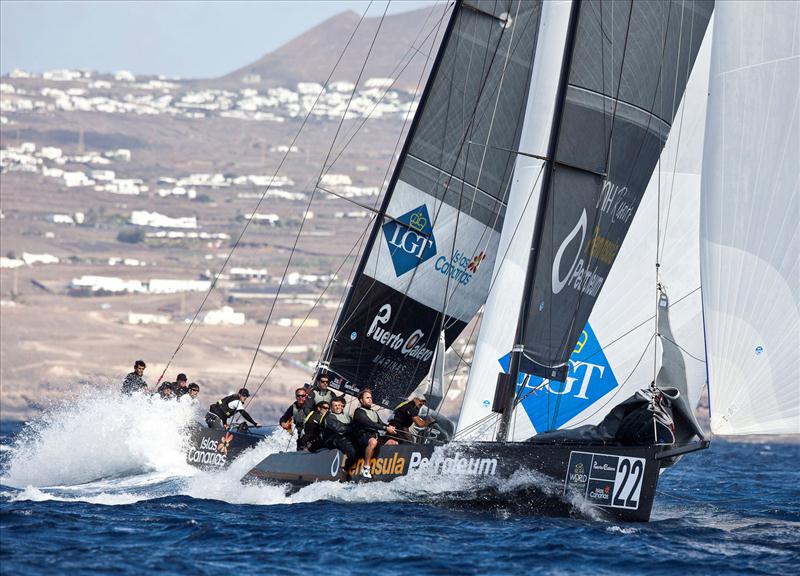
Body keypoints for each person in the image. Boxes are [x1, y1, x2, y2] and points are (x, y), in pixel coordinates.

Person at [351, 389, 397, 479]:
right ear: (361, 400)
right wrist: (385, 428)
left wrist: (390, 427)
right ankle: (366, 468)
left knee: (393, 442)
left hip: (374, 436)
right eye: (367, 398)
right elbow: (369, 423)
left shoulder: (374, 412)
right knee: (373, 442)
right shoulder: (359, 412)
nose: (370, 399)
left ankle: (385, 468)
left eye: (371, 398)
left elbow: (380, 423)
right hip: (362, 437)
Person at [320, 396, 356, 465]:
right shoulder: (330, 417)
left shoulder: (347, 417)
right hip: (335, 440)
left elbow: (354, 426)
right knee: (352, 451)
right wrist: (351, 428)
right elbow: (340, 429)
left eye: (339, 405)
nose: (338, 407)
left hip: (348, 437)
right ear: (331, 408)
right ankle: (346, 468)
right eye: (335, 405)